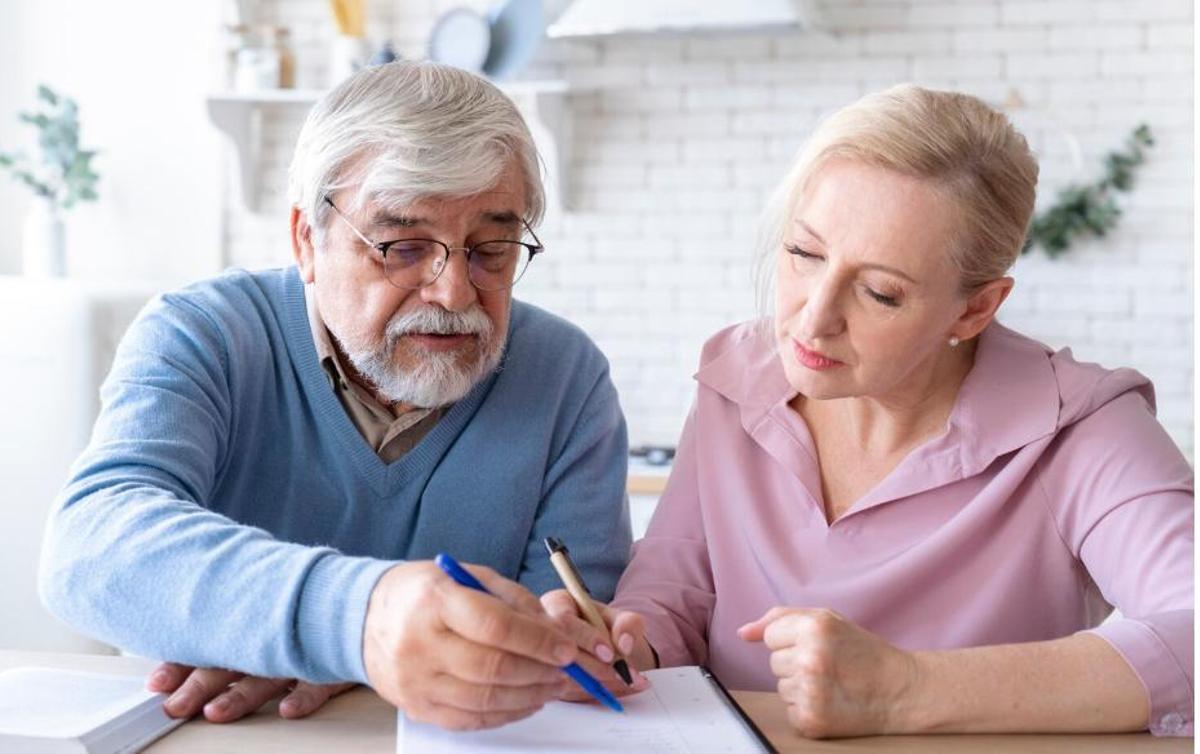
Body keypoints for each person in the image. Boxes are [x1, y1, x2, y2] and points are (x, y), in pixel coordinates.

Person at [544, 84, 1193, 738]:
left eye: (881, 293)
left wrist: (905, 690)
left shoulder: (1081, 427)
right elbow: (670, 598)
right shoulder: (735, 381)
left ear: (974, 309)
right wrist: (625, 647)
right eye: (803, 254)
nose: (813, 319)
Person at [39, 61, 632, 731]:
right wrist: (354, 623)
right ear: (306, 241)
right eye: (404, 247)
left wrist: (293, 637)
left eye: (491, 249)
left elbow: (562, 638)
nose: (454, 293)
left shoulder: (567, 375)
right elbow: (91, 547)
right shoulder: (205, 331)